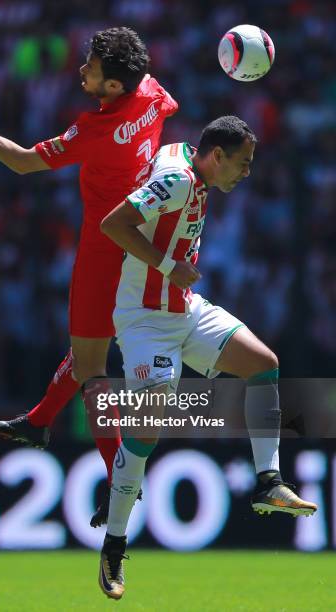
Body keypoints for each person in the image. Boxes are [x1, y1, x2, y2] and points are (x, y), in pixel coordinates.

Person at [0, 27, 178, 527]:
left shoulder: (94, 128)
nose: (81, 70)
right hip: (143, 242)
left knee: (92, 369)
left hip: (102, 250)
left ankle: (119, 482)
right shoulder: (151, 92)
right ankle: (41, 421)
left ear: (114, 87)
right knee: (88, 356)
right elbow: (163, 107)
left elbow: (24, 163)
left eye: (90, 66)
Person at [97, 116, 317, 600]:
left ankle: (268, 481)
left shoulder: (185, 164)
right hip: (145, 320)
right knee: (151, 424)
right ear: (216, 155)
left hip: (185, 310)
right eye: (242, 163)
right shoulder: (177, 181)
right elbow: (113, 223)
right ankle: (114, 542)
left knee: (263, 363)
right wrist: (168, 264)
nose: (246, 173)